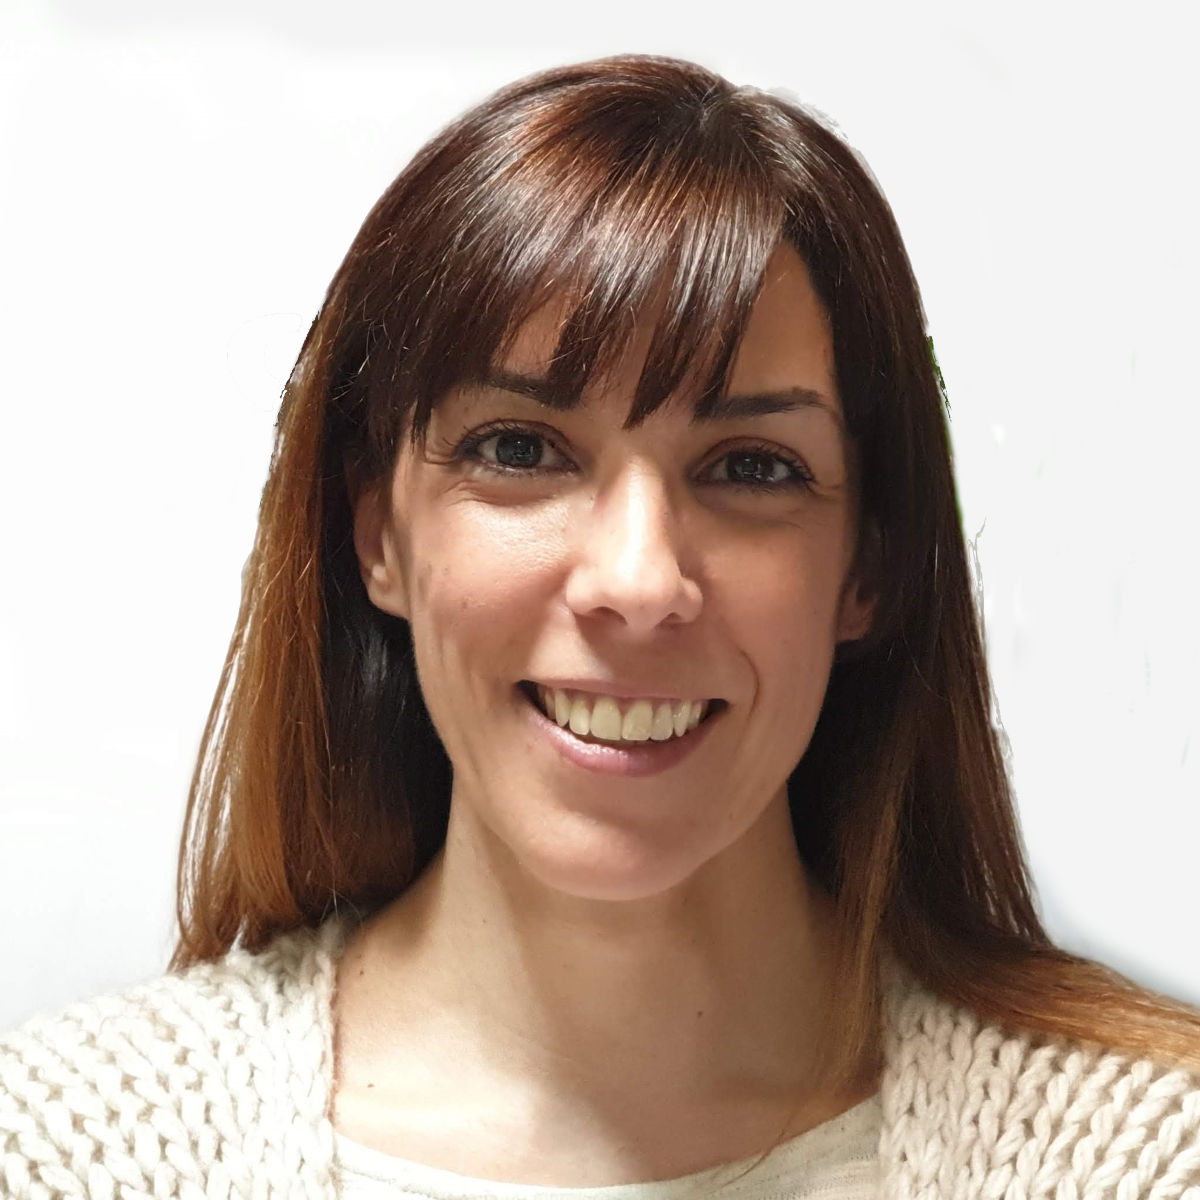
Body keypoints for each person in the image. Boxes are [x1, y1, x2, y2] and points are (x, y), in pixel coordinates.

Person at [2, 53, 1199, 1199]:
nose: (637, 579)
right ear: (378, 539)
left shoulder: (1143, 1161)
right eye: (520, 450)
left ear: (868, 568)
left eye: (752, 465)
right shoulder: (67, 1158)